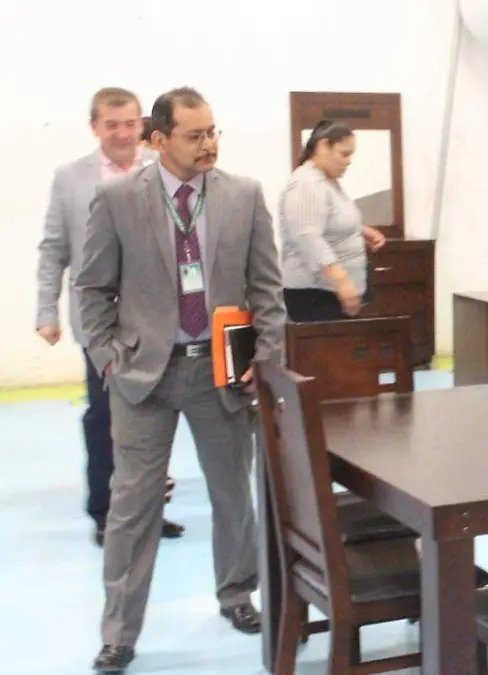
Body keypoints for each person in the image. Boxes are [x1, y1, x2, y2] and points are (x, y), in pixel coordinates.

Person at [76, 86, 286, 673]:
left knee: (233, 493)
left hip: (220, 373)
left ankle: (237, 594)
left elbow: (267, 288)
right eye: (195, 135)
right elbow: (92, 288)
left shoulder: (243, 195)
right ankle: (119, 631)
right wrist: (109, 358)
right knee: (131, 508)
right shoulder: (118, 198)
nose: (209, 144)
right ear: (159, 140)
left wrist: (265, 355)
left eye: (213, 131)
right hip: (143, 375)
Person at [34, 87, 185, 547]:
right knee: (103, 418)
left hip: (156, 320)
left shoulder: (163, 169)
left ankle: (149, 510)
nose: (123, 133)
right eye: (112, 124)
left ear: (143, 125)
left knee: (154, 418)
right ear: (95, 127)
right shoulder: (70, 179)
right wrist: (46, 311)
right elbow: (54, 249)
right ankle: (105, 514)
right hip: (98, 321)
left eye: (130, 123)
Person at [279, 119, 386, 322]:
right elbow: (307, 236)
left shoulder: (326, 181)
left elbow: (329, 219)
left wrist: (361, 230)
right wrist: (341, 280)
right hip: (317, 295)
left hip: (331, 293)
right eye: (344, 154)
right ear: (323, 147)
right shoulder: (306, 183)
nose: (349, 161)